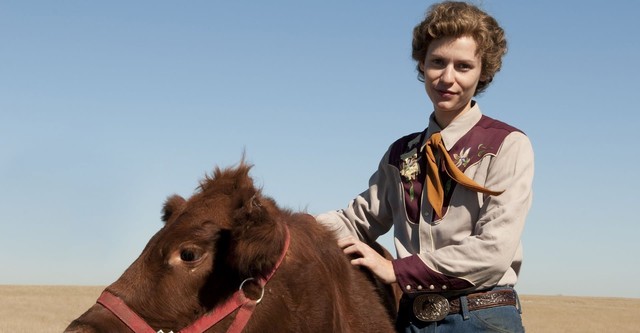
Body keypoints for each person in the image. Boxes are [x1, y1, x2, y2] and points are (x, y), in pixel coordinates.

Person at [315, 1, 534, 332]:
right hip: (411, 320)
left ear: (483, 71)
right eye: (437, 62)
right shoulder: (401, 154)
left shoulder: (507, 144)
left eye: (463, 66)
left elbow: (494, 251)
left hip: (481, 318)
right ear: (422, 64)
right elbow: (357, 220)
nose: (447, 77)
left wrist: (397, 270)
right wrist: (292, 230)